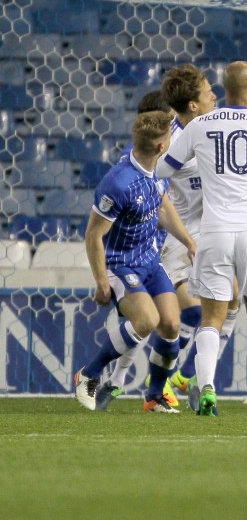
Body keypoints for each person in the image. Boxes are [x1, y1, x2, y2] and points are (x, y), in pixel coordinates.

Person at [156, 60, 247, 417]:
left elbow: (161, 169)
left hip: (213, 230)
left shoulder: (199, 125)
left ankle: (208, 388)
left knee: (212, 318)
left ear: (224, 88)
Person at [73, 110, 196, 414]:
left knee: (171, 324)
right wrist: (102, 281)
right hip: (120, 263)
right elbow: (93, 235)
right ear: (161, 146)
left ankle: (154, 397)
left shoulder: (157, 169)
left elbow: (163, 207)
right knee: (146, 320)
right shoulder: (119, 182)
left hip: (150, 262)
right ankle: (88, 374)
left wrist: (189, 241)